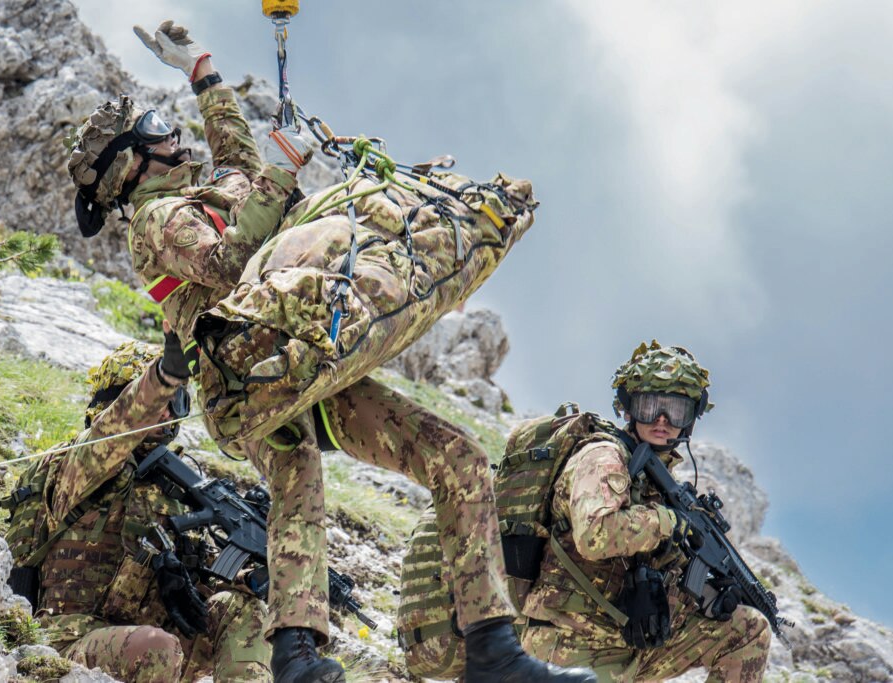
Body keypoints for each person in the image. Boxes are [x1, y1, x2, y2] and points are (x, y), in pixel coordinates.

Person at [66, 20, 596, 683]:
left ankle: (490, 647)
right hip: (250, 374)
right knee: (297, 470)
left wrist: (202, 72)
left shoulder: (207, 195)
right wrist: (282, 170)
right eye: (152, 130)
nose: (169, 135)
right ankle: (296, 653)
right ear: (130, 164)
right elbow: (230, 263)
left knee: (455, 454)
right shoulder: (158, 223)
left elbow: (233, 155)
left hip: (299, 350)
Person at [519, 341, 772, 682]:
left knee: (747, 629)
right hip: (569, 646)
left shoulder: (658, 484)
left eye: (676, 410)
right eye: (651, 405)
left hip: (625, 645)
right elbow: (595, 536)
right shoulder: (604, 457)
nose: (663, 420)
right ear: (628, 408)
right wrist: (668, 522)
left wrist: (714, 593)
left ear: (690, 420)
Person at [32, 329, 271, 683]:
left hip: (155, 644)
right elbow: (113, 431)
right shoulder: (77, 466)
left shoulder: (174, 490)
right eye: (161, 401)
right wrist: (163, 377)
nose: (168, 414)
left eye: (177, 404)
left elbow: (200, 582)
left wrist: (249, 580)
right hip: (69, 639)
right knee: (155, 645)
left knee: (243, 610)